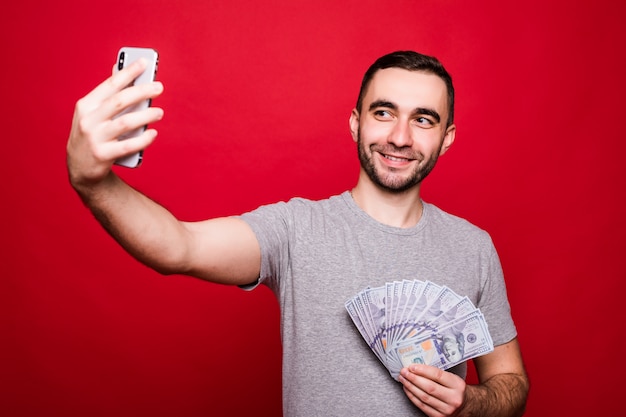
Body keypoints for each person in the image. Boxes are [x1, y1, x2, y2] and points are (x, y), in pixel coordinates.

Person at [67, 50, 529, 416]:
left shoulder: (474, 247)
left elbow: (511, 384)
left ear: (447, 137)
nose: (401, 137)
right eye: (384, 113)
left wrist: (470, 405)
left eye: (424, 119)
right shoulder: (296, 230)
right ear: (356, 122)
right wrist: (92, 180)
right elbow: (177, 246)